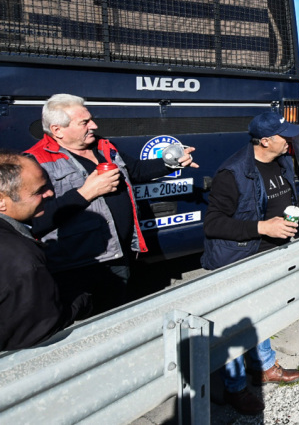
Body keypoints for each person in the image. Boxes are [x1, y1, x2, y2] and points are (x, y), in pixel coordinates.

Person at [202, 112, 299, 415]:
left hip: (268, 257)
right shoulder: (233, 173)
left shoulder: (282, 163)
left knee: (261, 314)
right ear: (265, 141)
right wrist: (262, 228)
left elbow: (294, 203)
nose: (289, 139)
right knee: (235, 326)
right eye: (283, 135)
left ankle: (264, 366)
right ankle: (236, 388)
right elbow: (212, 225)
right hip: (238, 259)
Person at [26, 94, 197, 313]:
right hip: (75, 267)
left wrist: (172, 163)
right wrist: (85, 193)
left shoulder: (104, 146)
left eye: (91, 119)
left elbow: (134, 170)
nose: (94, 126)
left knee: (114, 317)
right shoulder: (35, 162)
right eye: (84, 122)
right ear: (57, 130)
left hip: (118, 255)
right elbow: (34, 222)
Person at [0, 150, 91, 351]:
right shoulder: (22, 261)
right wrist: (79, 300)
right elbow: (39, 330)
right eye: (38, 191)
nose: (50, 193)